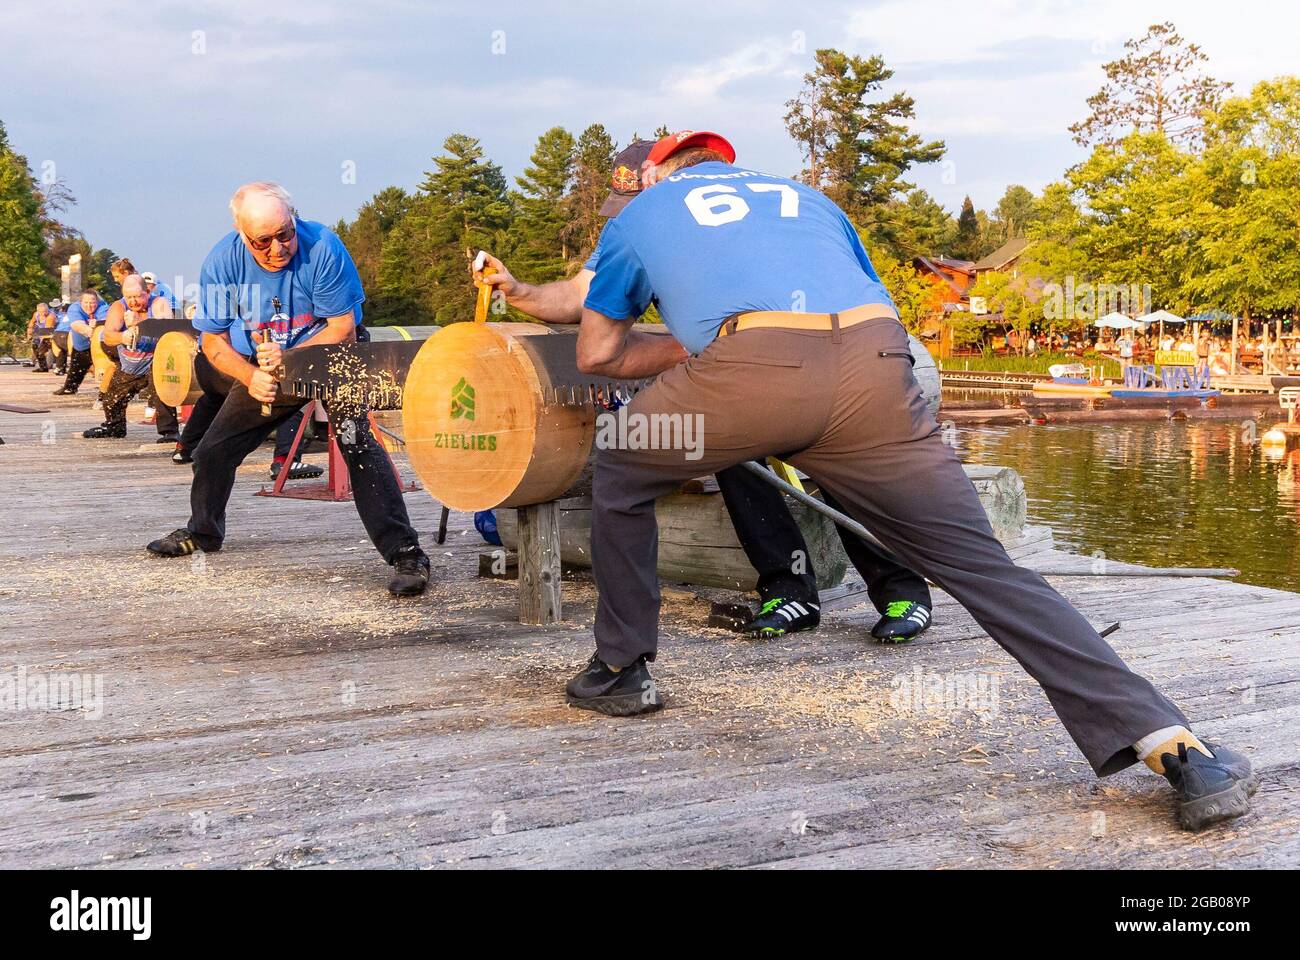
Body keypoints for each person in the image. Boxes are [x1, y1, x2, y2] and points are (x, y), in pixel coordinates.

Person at [562, 129, 1255, 831]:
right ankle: (1177, 750)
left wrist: (703, 352)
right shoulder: (807, 199)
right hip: (876, 367)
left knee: (621, 466)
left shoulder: (643, 213)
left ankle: (621, 670)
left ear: (656, 174)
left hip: (750, 371)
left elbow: (596, 351)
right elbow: (852, 303)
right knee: (985, 568)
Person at [474, 139, 932, 643]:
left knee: (839, 457)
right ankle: (789, 589)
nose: (636, 214)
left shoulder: (743, 215)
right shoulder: (632, 226)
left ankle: (901, 589)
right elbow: (583, 296)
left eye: (640, 201)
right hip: (730, 368)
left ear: (662, 180)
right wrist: (518, 291)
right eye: (626, 208)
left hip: (818, 353)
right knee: (729, 453)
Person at [144, 181, 430, 597]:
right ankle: (203, 532)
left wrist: (290, 359)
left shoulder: (324, 247)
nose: (277, 249)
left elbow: (341, 327)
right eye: (263, 242)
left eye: (285, 234)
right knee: (211, 452)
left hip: (333, 353)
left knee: (357, 444)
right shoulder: (223, 262)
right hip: (267, 365)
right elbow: (212, 342)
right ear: (243, 234)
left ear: (294, 221)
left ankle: (406, 552)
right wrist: (251, 377)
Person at [84, 275, 180, 441]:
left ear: (147, 292)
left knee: (161, 391)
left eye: (138, 296)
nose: (133, 302)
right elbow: (108, 336)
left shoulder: (159, 303)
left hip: (154, 360)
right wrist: (123, 337)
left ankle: (169, 432)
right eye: (129, 297)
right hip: (131, 362)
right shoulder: (118, 307)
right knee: (112, 398)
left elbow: (166, 329)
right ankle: (115, 426)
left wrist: (140, 322)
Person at [55, 289, 108, 395]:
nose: (89, 306)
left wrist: (97, 325)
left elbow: (106, 324)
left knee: (107, 369)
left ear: (97, 302)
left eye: (93, 303)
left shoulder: (104, 307)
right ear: (80, 302)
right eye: (86, 303)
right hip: (82, 346)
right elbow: (77, 325)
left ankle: (107, 390)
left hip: (100, 346)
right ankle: (70, 388)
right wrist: (91, 330)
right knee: (75, 369)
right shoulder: (74, 308)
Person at [27, 302, 57, 372]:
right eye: (41, 312)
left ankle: (55, 366)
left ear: (48, 310)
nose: (43, 314)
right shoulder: (36, 314)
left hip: (51, 334)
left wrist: (39, 340)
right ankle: (43, 367)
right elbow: (31, 323)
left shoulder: (51, 317)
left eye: (45, 312)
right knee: (35, 347)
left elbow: (47, 331)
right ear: (38, 311)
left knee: (42, 350)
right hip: (41, 332)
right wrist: (29, 332)